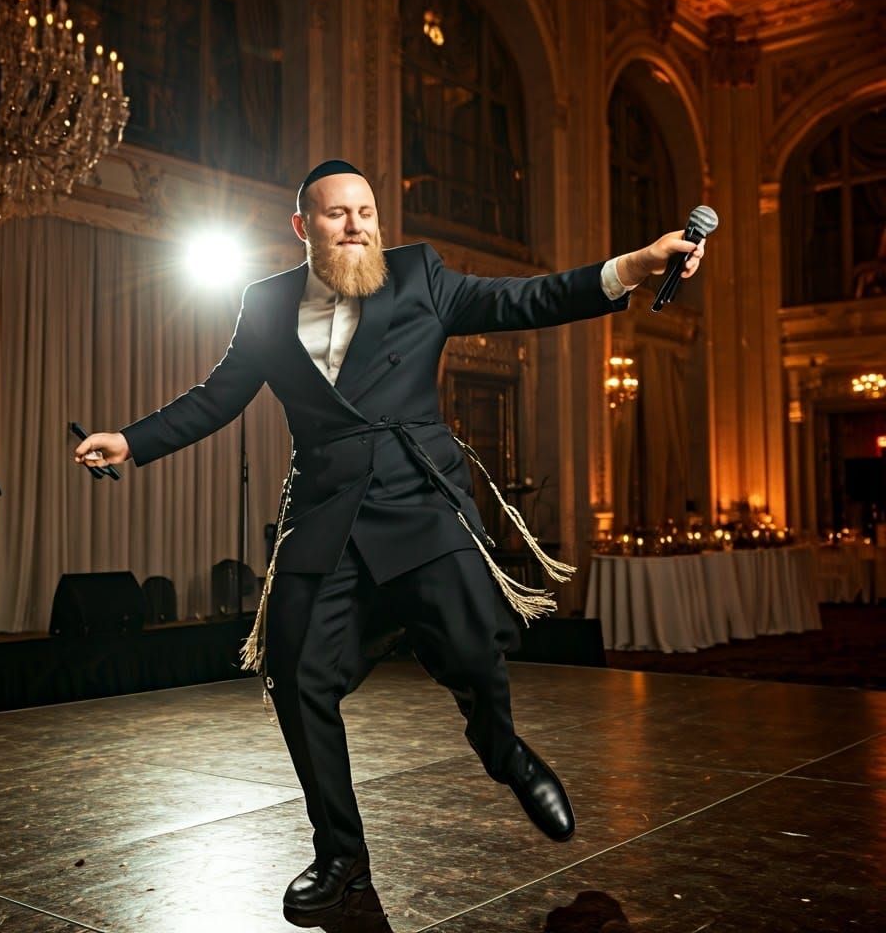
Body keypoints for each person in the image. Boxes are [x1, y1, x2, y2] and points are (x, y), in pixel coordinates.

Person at [74, 160, 704, 927]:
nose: (357, 225)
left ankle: (503, 751)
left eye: (366, 210)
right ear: (304, 228)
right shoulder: (266, 305)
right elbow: (218, 396)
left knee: (472, 654)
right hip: (326, 518)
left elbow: (525, 299)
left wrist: (634, 266)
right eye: (338, 214)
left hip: (419, 506)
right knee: (296, 674)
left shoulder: (420, 277)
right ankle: (342, 857)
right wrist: (132, 442)